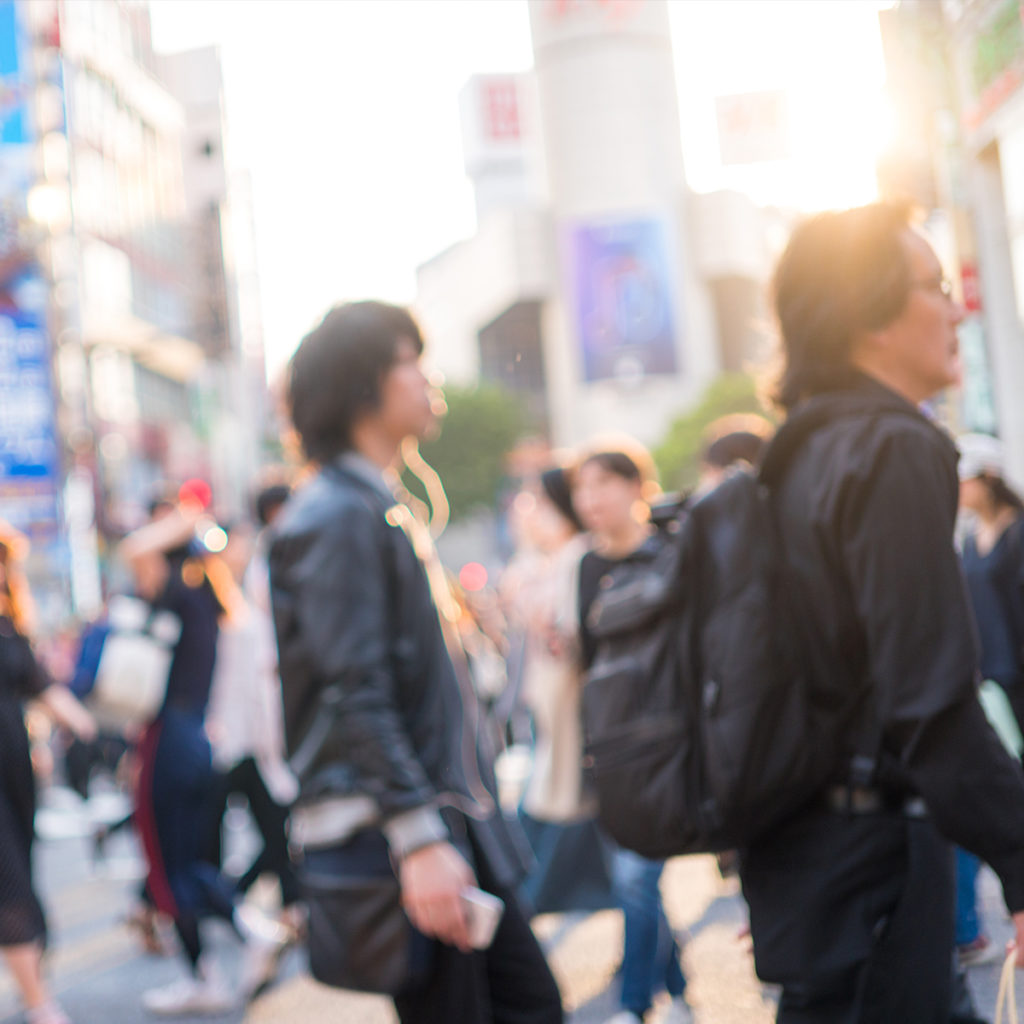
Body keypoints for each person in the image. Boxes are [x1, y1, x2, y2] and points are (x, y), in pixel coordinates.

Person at [738, 200, 1024, 1022]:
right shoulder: (892, 448)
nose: (956, 306)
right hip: (878, 863)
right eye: (933, 286)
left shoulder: (798, 452)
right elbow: (928, 700)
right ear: (868, 313)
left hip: (811, 852)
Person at [268, 300, 563, 1024]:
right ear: (363, 382)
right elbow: (352, 691)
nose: (429, 380)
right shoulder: (336, 513)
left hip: (440, 816)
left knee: (526, 1006)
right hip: (409, 828)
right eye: (411, 361)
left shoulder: (371, 503)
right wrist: (418, 839)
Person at [119, 495, 287, 1015]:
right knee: (188, 862)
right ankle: (236, 945)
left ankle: (231, 950)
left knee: (172, 866)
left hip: (171, 741)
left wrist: (179, 521)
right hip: (194, 742)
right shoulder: (213, 600)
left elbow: (132, 550)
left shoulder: (180, 596)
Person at [573, 445, 692, 1024]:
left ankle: (634, 1003)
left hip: (669, 735)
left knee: (636, 875)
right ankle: (677, 987)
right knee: (637, 876)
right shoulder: (587, 567)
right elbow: (588, 661)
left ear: (635, 486)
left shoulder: (670, 552)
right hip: (614, 743)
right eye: (581, 488)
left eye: (601, 485)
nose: (589, 500)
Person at [503, 466, 615, 918]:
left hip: (578, 712)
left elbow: (562, 636)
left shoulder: (578, 557)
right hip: (557, 709)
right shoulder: (556, 559)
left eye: (541, 504)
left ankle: (652, 969)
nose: (532, 514)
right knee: (607, 842)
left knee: (604, 836)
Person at [0, 522, 96, 1024]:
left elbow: (39, 684)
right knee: (9, 879)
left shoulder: (7, 622)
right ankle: (38, 1003)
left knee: (21, 873)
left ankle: (32, 990)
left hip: (14, 770)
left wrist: (86, 724)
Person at [202, 491, 301, 940]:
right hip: (230, 740)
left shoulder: (248, 593)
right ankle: (227, 903)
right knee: (244, 833)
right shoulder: (223, 602)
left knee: (276, 830)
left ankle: (276, 908)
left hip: (249, 739)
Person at [954, 433, 1024, 968]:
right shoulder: (967, 537)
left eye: (966, 477)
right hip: (988, 680)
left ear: (988, 479)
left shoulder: (1018, 533)